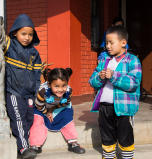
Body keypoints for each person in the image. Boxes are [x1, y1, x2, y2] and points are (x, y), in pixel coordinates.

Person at [89, 25, 142, 159]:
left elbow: (133, 83)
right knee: (106, 136)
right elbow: (92, 81)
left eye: (111, 42)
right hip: (104, 106)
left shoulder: (132, 60)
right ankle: (108, 156)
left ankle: (127, 157)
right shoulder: (104, 60)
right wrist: (99, 77)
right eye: (106, 43)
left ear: (123, 43)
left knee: (125, 136)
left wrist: (114, 76)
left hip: (123, 108)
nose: (108, 46)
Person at [4, 14, 42, 159]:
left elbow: (37, 73)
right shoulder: (9, 45)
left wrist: (37, 90)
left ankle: (24, 146)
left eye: (30, 34)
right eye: (23, 34)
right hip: (14, 92)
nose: (27, 37)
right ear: (15, 32)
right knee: (18, 119)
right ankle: (23, 148)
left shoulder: (34, 53)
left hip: (29, 94)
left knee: (28, 120)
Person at [29, 68, 85, 155]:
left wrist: (52, 110)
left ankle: (73, 142)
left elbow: (65, 103)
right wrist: (46, 112)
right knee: (37, 119)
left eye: (64, 85)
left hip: (58, 107)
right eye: (56, 86)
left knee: (68, 116)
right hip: (42, 108)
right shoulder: (43, 91)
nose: (60, 89)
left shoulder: (68, 91)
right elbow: (39, 104)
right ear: (49, 84)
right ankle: (35, 144)